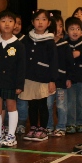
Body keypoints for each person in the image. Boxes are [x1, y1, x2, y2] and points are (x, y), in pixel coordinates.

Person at [0, 9, 26, 146]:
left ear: (15, 24)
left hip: (11, 82)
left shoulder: (19, 45)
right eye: (3, 21)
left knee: (11, 107)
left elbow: (21, 67)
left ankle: (11, 135)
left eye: (10, 21)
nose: (7, 24)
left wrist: (19, 85)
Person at [21, 9, 58, 142]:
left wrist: (52, 80)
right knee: (32, 104)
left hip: (43, 77)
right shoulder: (26, 39)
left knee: (43, 104)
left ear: (48, 23)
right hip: (29, 77)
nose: (40, 22)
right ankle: (33, 128)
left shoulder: (49, 41)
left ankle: (42, 128)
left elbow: (54, 62)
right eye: (37, 19)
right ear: (32, 22)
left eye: (43, 19)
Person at [48, 15, 71, 136]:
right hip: (49, 81)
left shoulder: (65, 44)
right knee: (48, 105)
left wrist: (69, 77)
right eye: (55, 25)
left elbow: (69, 63)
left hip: (62, 80)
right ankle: (49, 126)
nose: (58, 28)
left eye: (61, 26)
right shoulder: (46, 43)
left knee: (62, 105)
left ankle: (61, 126)